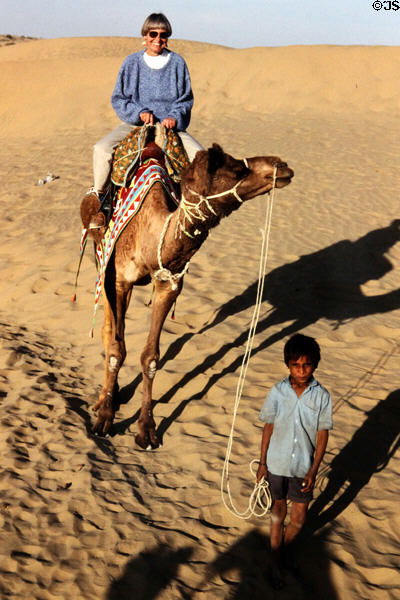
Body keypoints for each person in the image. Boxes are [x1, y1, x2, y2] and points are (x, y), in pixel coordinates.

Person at [89, 12, 203, 204]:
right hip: (137, 125)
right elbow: (119, 98)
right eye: (153, 34)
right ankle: (99, 200)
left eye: (163, 35)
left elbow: (185, 99)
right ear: (145, 35)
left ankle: (197, 212)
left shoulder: (177, 63)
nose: (158, 39)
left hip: (169, 127)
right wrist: (138, 113)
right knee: (101, 149)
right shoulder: (131, 63)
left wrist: (174, 117)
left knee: (201, 158)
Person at [256, 333, 332, 589]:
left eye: (306, 364)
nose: (301, 370)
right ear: (288, 364)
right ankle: (276, 560)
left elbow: (323, 435)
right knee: (278, 512)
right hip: (276, 464)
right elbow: (268, 426)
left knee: (299, 518)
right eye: (296, 365)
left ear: (315, 364)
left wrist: (314, 469)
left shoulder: (322, 396)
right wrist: (262, 463)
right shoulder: (277, 392)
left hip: (303, 466)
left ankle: (283, 553)